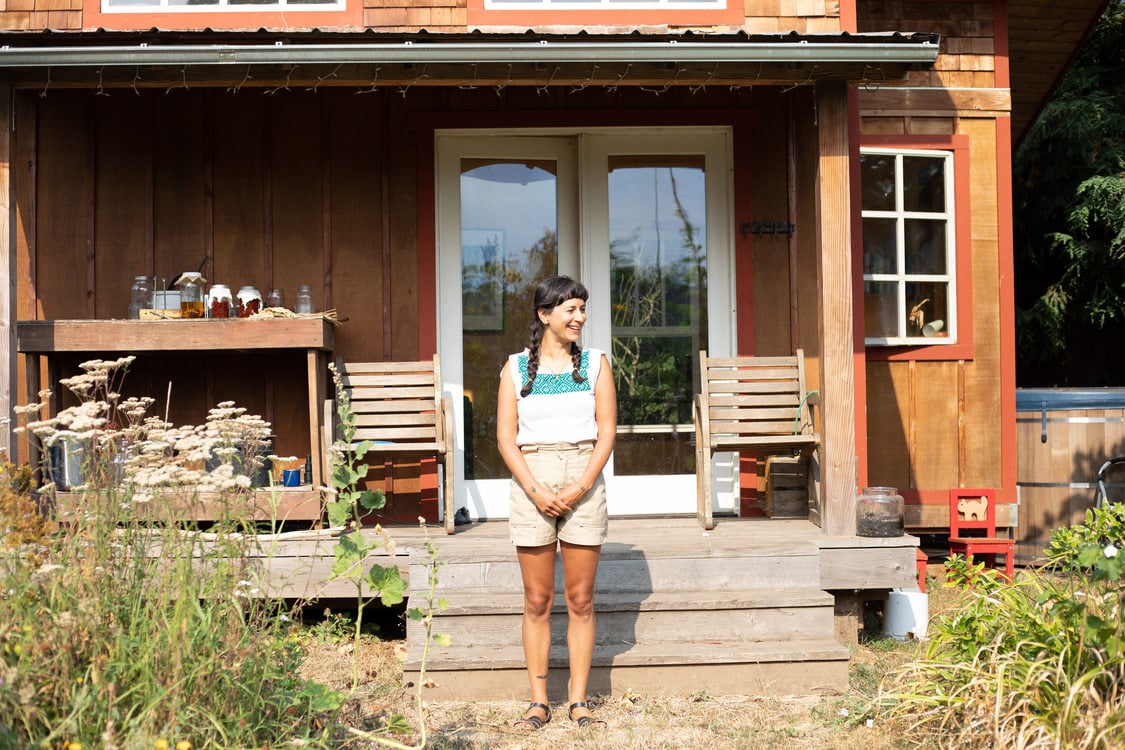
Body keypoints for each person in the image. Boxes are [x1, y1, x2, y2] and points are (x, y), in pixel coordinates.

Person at [496, 276, 617, 731]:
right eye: (571, 310)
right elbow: (506, 438)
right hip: (532, 479)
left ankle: (580, 701)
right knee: (537, 599)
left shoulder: (595, 364)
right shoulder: (515, 368)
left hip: (582, 477)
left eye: (583, 310)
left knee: (581, 598)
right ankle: (538, 701)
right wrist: (534, 489)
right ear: (545, 315)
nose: (579, 318)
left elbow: (607, 432)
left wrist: (580, 486)